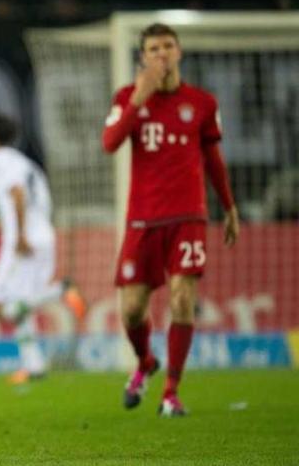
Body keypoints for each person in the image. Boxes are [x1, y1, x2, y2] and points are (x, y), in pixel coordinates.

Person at [101, 23, 239, 417]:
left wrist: (228, 206)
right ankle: (145, 361)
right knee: (131, 308)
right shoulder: (128, 97)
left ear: (179, 52)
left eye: (167, 46)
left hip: (188, 216)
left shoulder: (202, 103)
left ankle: (171, 393)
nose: (161, 54)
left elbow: (213, 159)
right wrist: (138, 100)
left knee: (182, 298)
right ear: (143, 57)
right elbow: (109, 144)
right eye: (153, 48)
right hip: (142, 219)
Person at [0, 113, 86, 384]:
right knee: (18, 307)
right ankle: (34, 365)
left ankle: (60, 290)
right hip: (43, 237)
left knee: (3, 305)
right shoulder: (27, 163)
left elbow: (17, 193)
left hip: (23, 241)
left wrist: (20, 236)